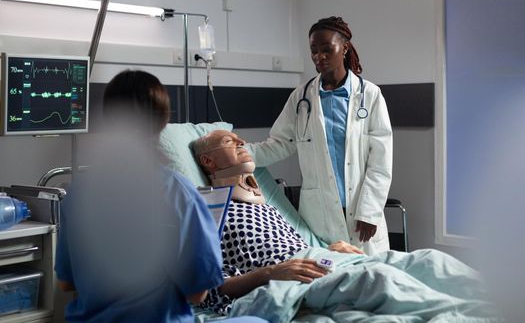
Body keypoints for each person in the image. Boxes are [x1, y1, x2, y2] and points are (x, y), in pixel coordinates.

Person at [192, 130, 498, 322]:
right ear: (208, 161)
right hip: (286, 277)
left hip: (319, 258)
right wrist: (274, 272)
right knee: (377, 279)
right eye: (229, 141)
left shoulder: (267, 204)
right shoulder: (204, 211)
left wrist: (327, 250)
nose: (242, 142)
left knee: (428, 260)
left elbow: (287, 243)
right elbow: (213, 288)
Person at [55, 70, 265, 323]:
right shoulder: (181, 195)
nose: (241, 144)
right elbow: (198, 293)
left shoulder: (77, 194)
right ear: (162, 123)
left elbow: (66, 283)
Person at [246, 16, 392, 255]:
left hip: (362, 213)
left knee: (370, 282)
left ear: (344, 48)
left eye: (327, 49)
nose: (319, 57)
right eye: (314, 51)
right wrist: (241, 154)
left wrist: (369, 210)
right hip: (319, 215)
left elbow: (381, 162)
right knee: (327, 281)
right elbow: (280, 144)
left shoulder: (370, 95)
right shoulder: (301, 97)